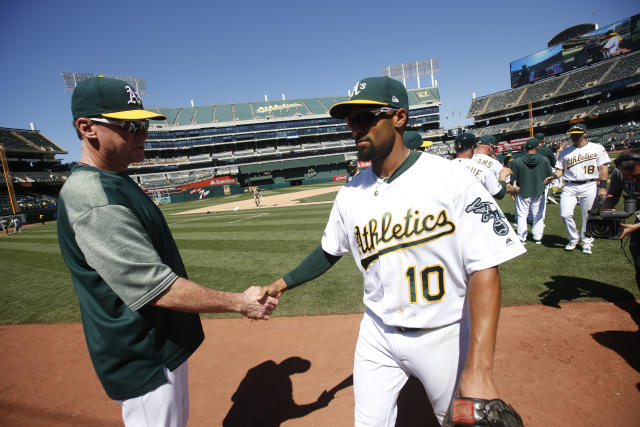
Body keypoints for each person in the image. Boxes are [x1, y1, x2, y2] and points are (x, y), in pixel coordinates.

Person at [261, 76, 526, 425]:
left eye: (366, 117)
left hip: (443, 334)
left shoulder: (451, 180)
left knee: (460, 421)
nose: (355, 127)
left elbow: (486, 268)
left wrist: (479, 369)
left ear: (399, 118)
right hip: (377, 333)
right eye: (350, 120)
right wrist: (280, 284)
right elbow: (329, 251)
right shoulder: (350, 193)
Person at [57, 77, 278, 427]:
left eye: (143, 123)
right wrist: (240, 301)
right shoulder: (92, 197)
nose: (142, 133)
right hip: (143, 355)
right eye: (129, 125)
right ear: (87, 128)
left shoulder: (116, 179)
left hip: (159, 346)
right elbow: (156, 287)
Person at [551, 123, 611, 254]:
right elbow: (560, 170)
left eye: (578, 134)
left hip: (589, 184)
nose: (575, 137)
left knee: (588, 215)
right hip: (570, 186)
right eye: (573, 134)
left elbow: (603, 168)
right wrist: (554, 176)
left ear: (585, 133)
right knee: (565, 214)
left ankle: (587, 241)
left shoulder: (597, 148)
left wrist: (603, 187)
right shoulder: (565, 152)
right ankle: (573, 238)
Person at [602, 149, 640, 290]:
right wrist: (606, 206)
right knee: (638, 260)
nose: (633, 180)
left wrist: (636, 227)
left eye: (637, 176)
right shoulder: (619, 173)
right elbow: (613, 194)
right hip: (638, 216)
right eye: (628, 177)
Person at [510, 138, 555, 244]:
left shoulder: (517, 160)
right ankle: (537, 237)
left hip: (522, 190)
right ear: (537, 147)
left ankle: (521, 237)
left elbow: (513, 179)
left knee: (522, 215)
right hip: (539, 190)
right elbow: (550, 175)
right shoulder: (544, 159)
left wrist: (514, 190)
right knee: (538, 215)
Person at [453, 132, 512, 200]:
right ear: (473, 148)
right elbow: (500, 194)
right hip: (476, 206)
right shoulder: (485, 169)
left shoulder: (445, 166)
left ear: (455, 149)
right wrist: (502, 176)